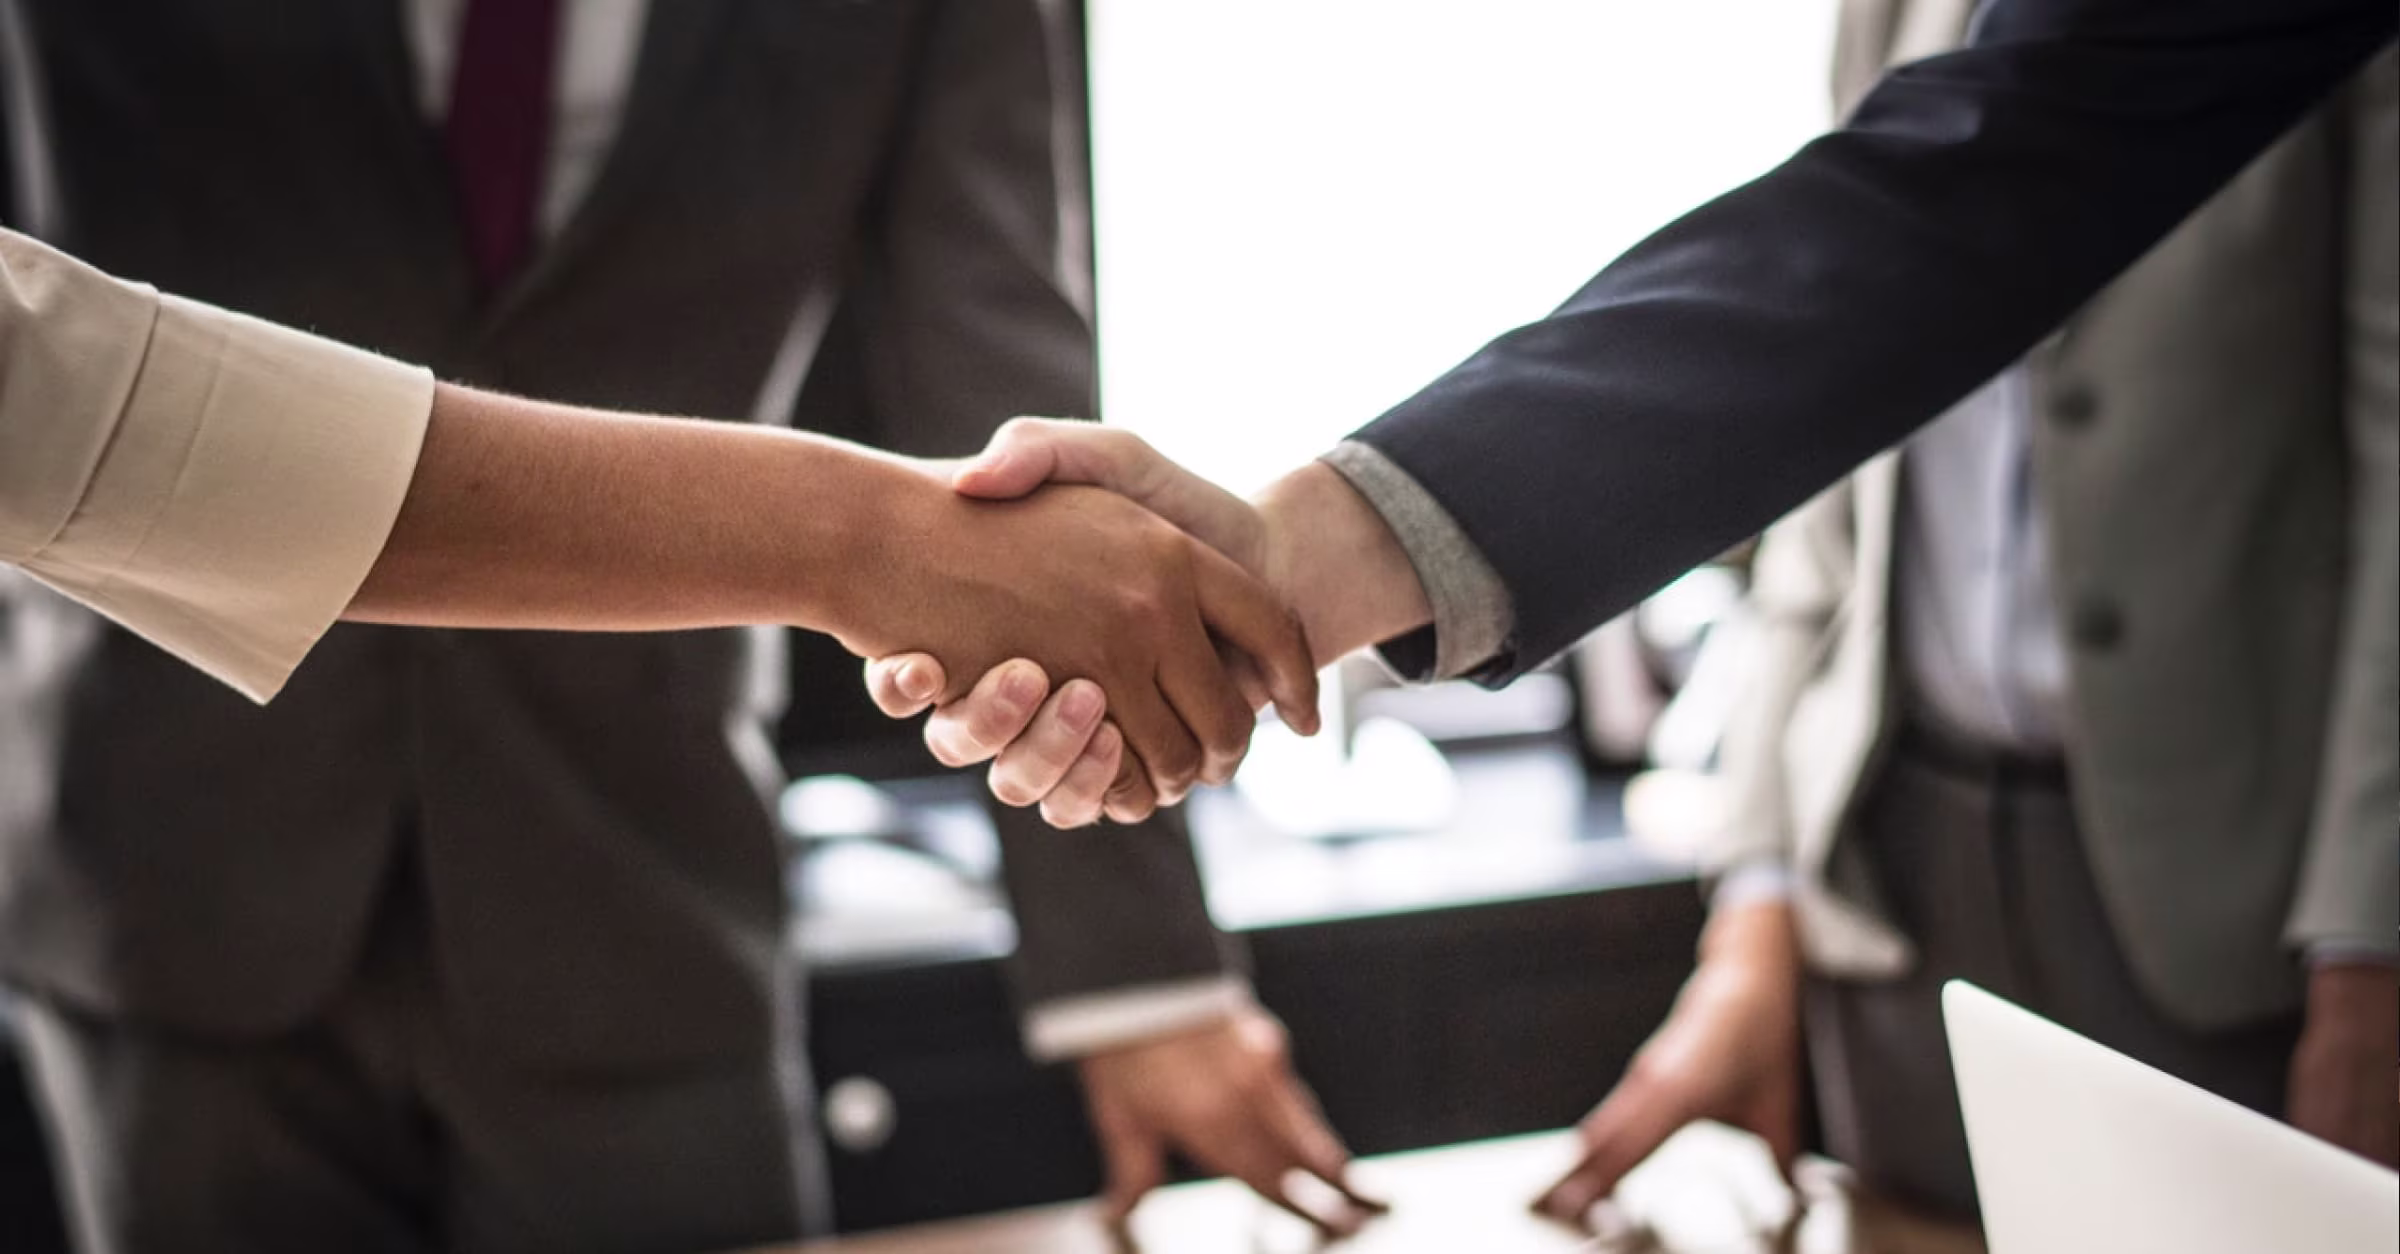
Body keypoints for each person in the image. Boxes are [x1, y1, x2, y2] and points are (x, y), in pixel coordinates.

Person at [0, 4, 1350, 1253]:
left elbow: (1004, 400)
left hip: (636, 879)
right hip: (159, 855)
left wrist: (1139, 970)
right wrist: (845, 538)